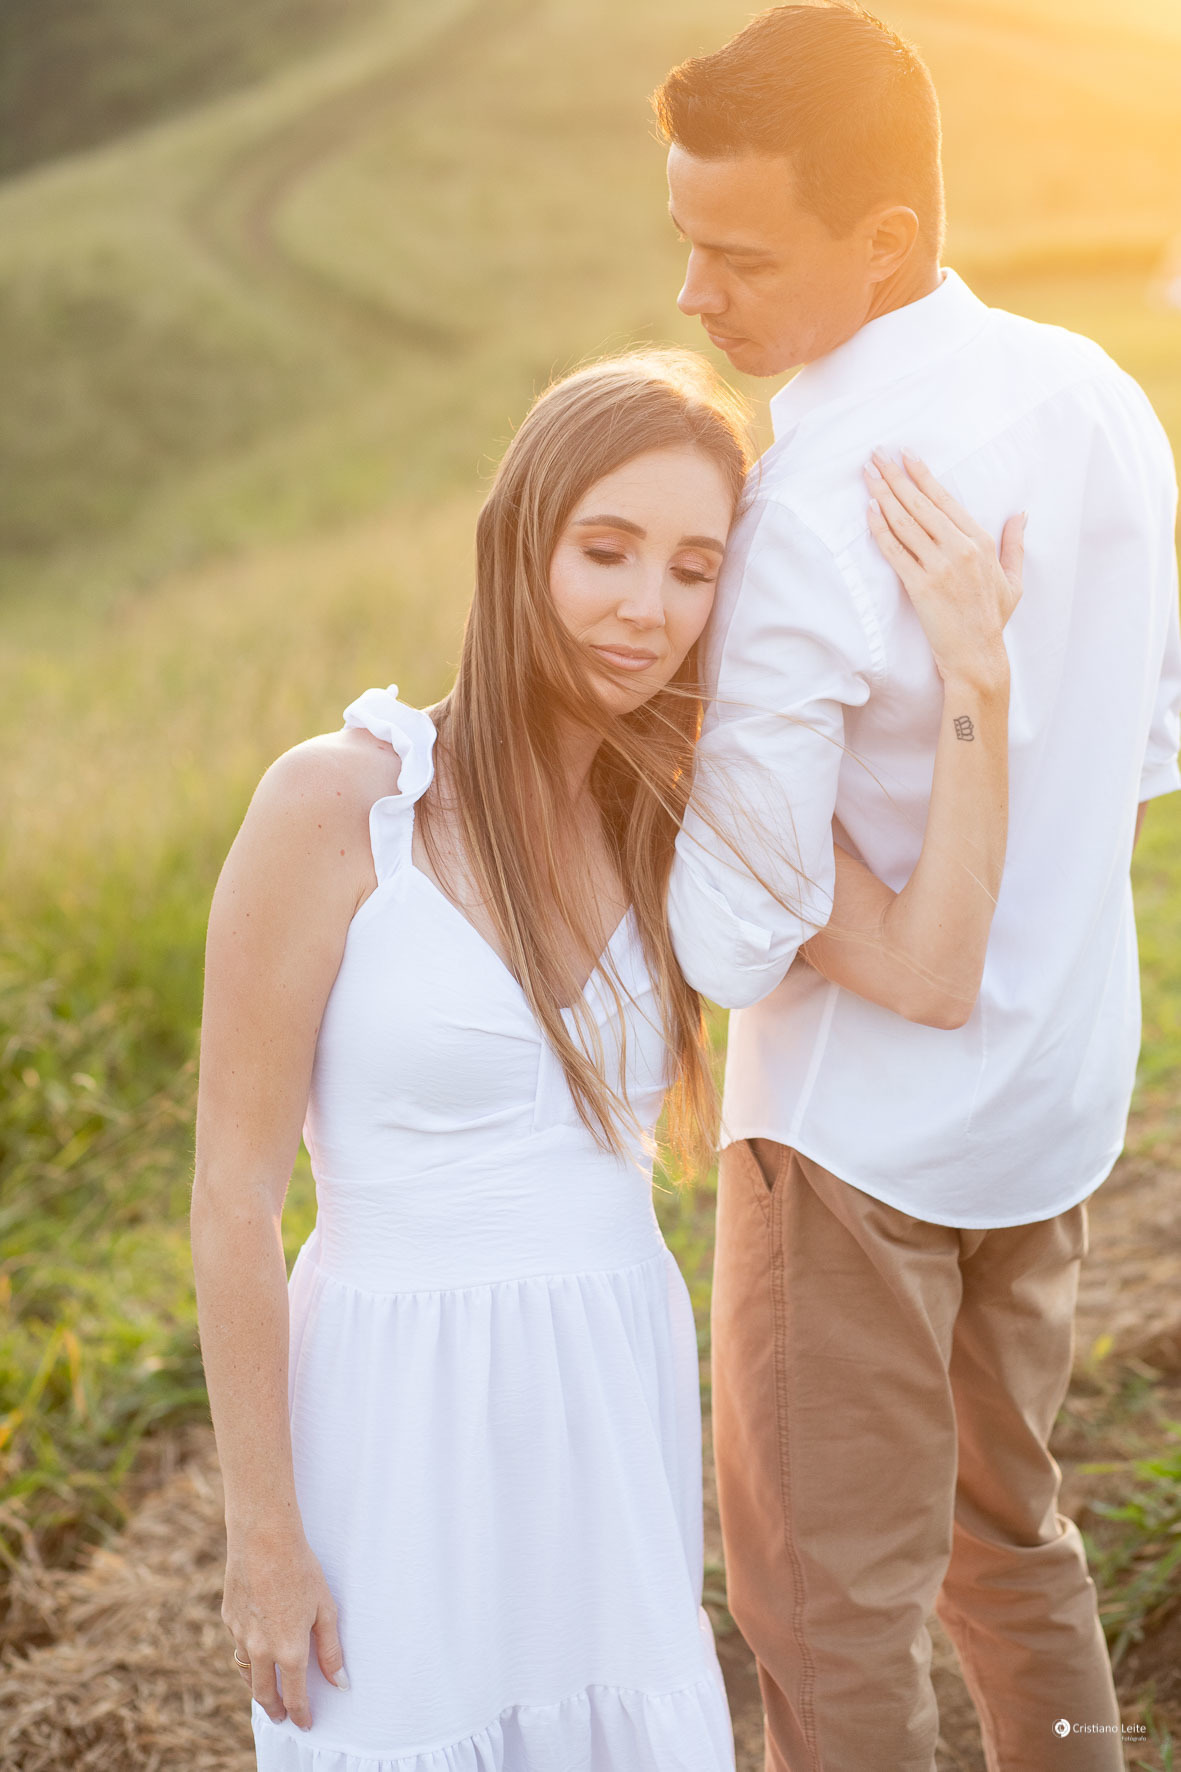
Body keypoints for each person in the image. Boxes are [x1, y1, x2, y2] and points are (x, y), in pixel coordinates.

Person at [190, 348, 1023, 1770]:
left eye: (694, 569)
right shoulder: (340, 803)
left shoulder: (688, 820)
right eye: (607, 550)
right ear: (521, 542)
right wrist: (263, 1536)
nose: (647, 608)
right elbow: (231, 1194)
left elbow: (932, 972)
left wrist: (975, 679)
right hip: (391, 1415)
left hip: (603, 1399)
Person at [654, 6, 1181, 1771]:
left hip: (853, 1148)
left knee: (824, 1614)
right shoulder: (1095, 395)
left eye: (736, 255)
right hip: (1049, 1101)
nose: (692, 301)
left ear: (880, 244)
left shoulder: (808, 499)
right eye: (684, 246)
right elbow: (1147, 745)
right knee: (1009, 1546)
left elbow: (728, 935)